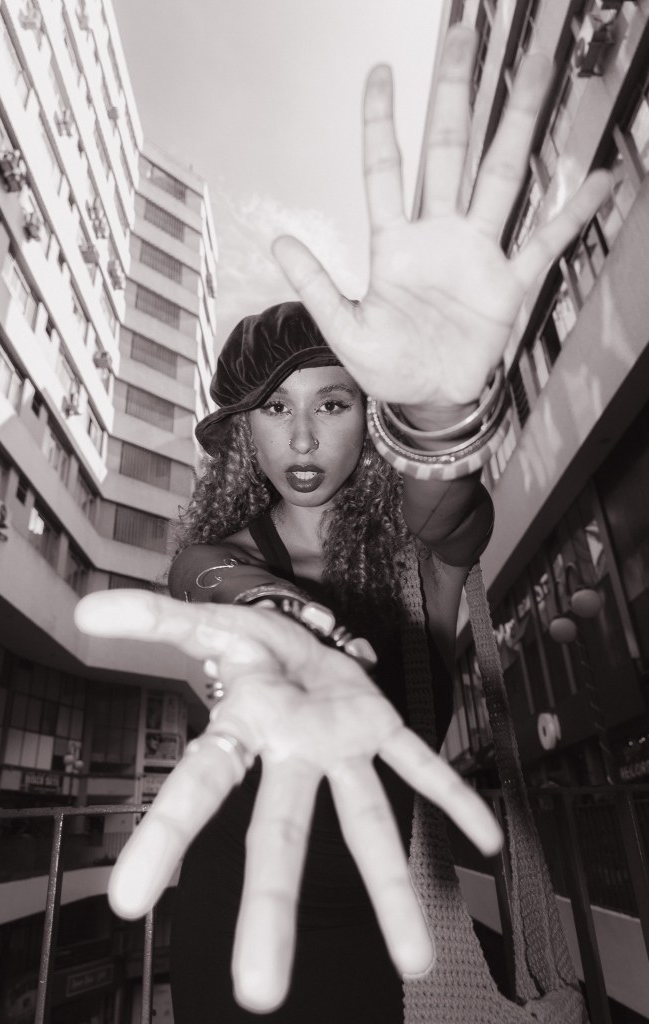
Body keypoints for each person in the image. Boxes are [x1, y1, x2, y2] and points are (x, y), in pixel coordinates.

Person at [75, 25, 609, 1024]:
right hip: (236, 899)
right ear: (242, 435)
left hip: (376, 920)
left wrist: (440, 413)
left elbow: (454, 511)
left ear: (367, 415)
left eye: (330, 402)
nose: (301, 436)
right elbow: (206, 581)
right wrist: (277, 618)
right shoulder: (218, 553)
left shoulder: (414, 547)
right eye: (273, 409)